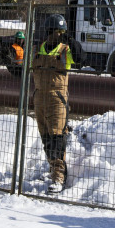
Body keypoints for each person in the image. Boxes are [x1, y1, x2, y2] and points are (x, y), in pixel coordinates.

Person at [31, 14, 74, 193]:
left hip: (58, 98)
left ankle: (59, 175)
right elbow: (23, 70)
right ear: (48, 31)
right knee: (46, 136)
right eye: (56, 31)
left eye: (61, 32)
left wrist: (70, 39)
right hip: (40, 98)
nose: (58, 35)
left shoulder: (66, 50)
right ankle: (51, 167)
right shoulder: (37, 49)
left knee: (57, 136)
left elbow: (81, 57)